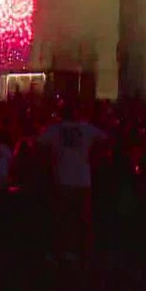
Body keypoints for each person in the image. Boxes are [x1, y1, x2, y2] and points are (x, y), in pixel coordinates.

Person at [37, 103, 108, 269]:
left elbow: (39, 143)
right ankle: (85, 253)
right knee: (84, 219)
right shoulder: (87, 128)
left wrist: (54, 158)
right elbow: (107, 140)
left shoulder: (55, 130)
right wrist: (93, 157)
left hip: (63, 179)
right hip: (84, 180)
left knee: (64, 218)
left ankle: (68, 253)